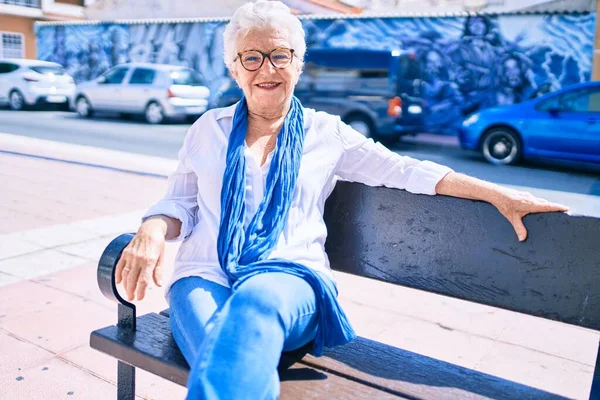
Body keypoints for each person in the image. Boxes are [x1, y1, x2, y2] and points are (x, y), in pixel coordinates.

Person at [114, 2, 569, 399]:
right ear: (234, 68)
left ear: (298, 63)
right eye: (251, 57)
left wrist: (495, 193)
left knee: (252, 306)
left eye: (279, 55)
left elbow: (406, 170)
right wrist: (151, 228)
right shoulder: (206, 130)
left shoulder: (325, 133)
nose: (266, 69)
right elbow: (178, 202)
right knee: (225, 347)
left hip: (286, 279)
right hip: (204, 274)